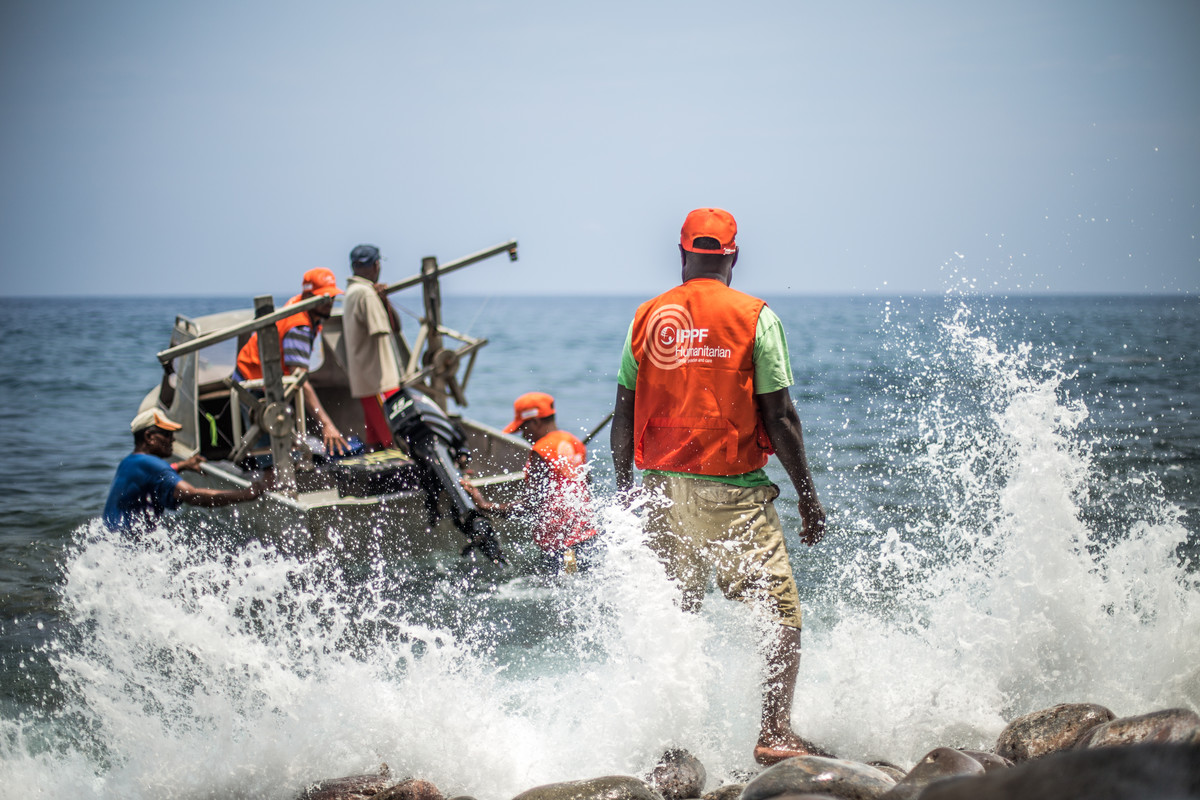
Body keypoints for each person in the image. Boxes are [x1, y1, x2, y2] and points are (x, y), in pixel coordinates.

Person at [610, 207, 828, 766]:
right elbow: (778, 417)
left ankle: (669, 741)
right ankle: (775, 732)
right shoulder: (756, 317)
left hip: (659, 486)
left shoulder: (647, 316)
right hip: (730, 490)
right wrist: (806, 493)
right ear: (734, 256)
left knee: (675, 608)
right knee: (779, 611)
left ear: (682, 255)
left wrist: (625, 489)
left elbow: (623, 414)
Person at [463, 392, 601, 574]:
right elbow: (585, 485)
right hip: (587, 538)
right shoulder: (574, 442)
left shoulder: (541, 450)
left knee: (566, 586)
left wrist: (484, 504)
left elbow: (530, 504)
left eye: (523, 429)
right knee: (581, 585)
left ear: (535, 421)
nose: (523, 436)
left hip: (564, 548)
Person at [233, 267, 350, 456]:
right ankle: (268, 479)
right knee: (268, 448)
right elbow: (300, 380)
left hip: (262, 381)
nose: (330, 303)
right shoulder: (299, 326)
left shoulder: (304, 308)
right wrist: (327, 425)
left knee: (281, 438)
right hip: (252, 385)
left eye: (332, 297)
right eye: (324, 298)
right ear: (308, 296)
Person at [104, 409, 265, 532]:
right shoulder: (154, 465)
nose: (172, 439)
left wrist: (182, 465)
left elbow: (154, 476)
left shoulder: (130, 462)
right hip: (130, 546)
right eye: (167, 434)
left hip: (114, 540)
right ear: (149, 437)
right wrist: (246, 494)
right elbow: (192, 495)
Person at [342, 244, 404, 450]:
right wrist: (380, 300)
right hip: (379, 382)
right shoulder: (366, 294)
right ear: (376, 265)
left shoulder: (351, 292)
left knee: (375, 443)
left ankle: (378, 482)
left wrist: (382, 299)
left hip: (364, 382)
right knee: (394, 441)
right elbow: (389, 328)